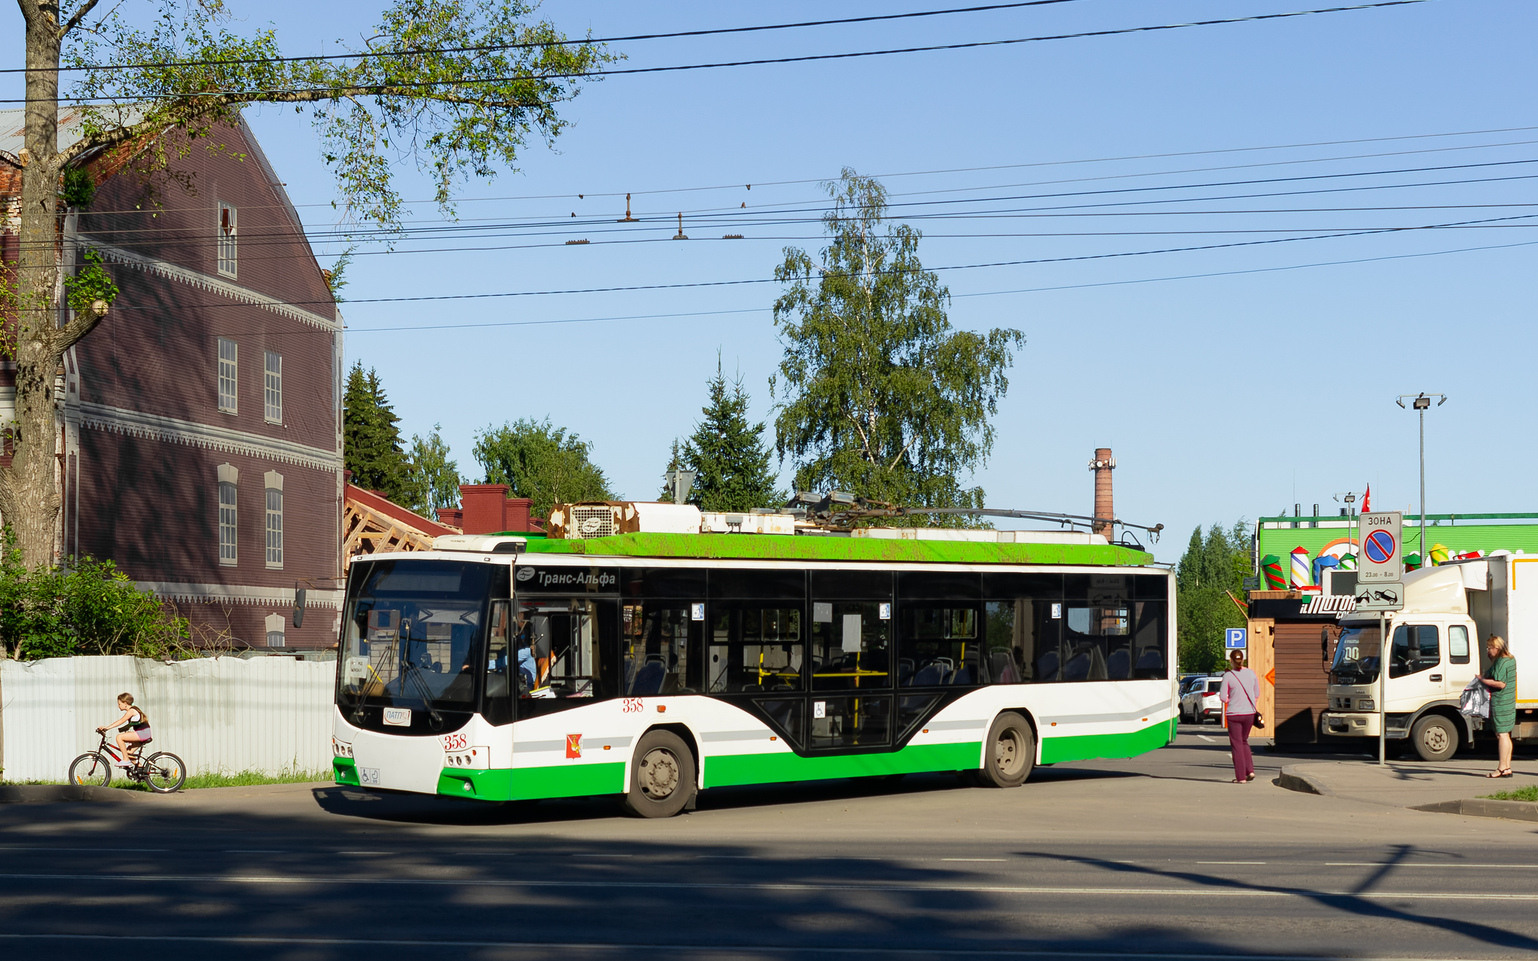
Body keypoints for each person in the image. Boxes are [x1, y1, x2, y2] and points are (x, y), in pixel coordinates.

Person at [1219, 650, 1260, 783]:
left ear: (1231, 660)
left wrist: (1232, 699)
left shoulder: (1228, 676)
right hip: (1249, 713)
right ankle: (1251, 770)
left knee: (1236, 744)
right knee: (1244, 741)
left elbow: (1223, 698)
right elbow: (1257, 694)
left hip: (1234, 714)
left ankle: (1241, 777)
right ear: (1243, 660)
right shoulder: (1251, 673)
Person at [1483, 634, 1517, 778]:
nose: (1488, 651)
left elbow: (1500, 684)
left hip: (1501, 702)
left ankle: (1502, 768)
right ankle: (1507, 767)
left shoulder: (1500, 663)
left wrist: (1483, 680)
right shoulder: (1510, 659)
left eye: (1489, 648)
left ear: (1496, 648)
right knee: (1506, 734)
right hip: (1509, 701)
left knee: (1501, 734)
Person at [96, 693, 152, 767]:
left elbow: (121, 721)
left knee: (119, 737)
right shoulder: (133, 710)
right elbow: (130, 725)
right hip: (144, 733)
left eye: (119, 704)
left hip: (143, 733)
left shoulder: (131, 711)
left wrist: (107, 728)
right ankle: (142, 771)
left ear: (125, 703)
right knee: (128, 753)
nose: (118, 706)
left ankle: (125, 760)